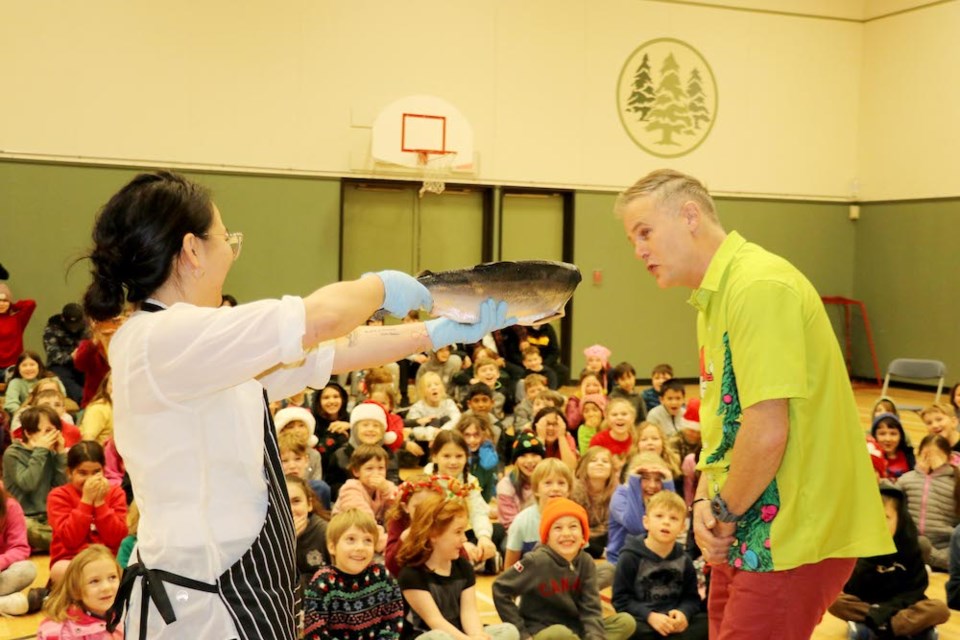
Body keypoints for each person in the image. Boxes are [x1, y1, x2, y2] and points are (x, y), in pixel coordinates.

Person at [82, 170, 512, 639]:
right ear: (191, 250)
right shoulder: (163, 338)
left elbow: (335, 349)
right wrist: (386, 287)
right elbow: (321, 318)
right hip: (205, 604)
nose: (231, 250)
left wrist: (435, 332)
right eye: (227, 238)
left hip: (241, 586)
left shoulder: (201, 341)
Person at [617, 169, 891, 638]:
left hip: (792, 535)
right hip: (744, 523)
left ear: (689, 216)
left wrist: (720, 513)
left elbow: (767, 429)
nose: (638, 249)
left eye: (645, 232)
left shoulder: (759, 286)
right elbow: (725, 426)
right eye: (632, 238)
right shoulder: (712, 300)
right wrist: (704, 499)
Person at [493, 497, 636, 640]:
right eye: (558, 528)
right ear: (547, 537)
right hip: (543, 632)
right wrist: (523, 634)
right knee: (559, 633)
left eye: (573, 526)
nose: (566, 533)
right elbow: (500, 588)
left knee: (625, 622)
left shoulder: (586, 562)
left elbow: (591, 609)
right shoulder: (536, 561)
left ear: (583, 535)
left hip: (576, 629)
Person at [828, 482, 950, 639]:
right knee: (833, 601)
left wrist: (886, 611)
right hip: (870, 604)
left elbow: (916, 589)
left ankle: (874, 628)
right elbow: (852, 588)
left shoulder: (912, 545)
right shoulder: (859, 545)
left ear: (900, 519)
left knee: (939, 609)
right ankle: (911, 630)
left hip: (903, 606)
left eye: (886, 517)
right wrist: (869, 558)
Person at [396, 493, 519, 640]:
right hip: (429, 635)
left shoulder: (463, 566)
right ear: (433, 534)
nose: (465, 538)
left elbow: (469, 612)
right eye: (458, 532)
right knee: (440, 638)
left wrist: (477, 636)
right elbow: (435, 621)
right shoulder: (411, 575)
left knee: (508, 631)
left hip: (460, 634)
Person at [612, 491, 708, 640]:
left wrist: (683, 613)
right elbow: (621, 600)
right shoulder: (630, 557)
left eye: (674, 518)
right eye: (659, 516)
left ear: (682, 527)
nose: (666, 522)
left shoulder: (684, 559)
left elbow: (691, 599)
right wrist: (649, 616)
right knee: (627, 626)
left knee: (707, 623)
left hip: (673, 623)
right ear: (646, 522)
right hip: (644, 621)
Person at [303, 509, 403, 640]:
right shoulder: (323, 582)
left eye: (367, 540)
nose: (360, 547)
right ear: (332, 547)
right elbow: (315, 631)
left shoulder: (381, 575)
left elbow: (394, 619)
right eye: (351, 539)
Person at [47, 441, 128, 585]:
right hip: (73, 561)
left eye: (96, 472)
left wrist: (100, 503)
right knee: (59, 571)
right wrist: (86, 500)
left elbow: (117, 539)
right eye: (82, 473)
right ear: (70, 473)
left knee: (129, 568)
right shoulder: (58, 496)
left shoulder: (116, 493)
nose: (90, 479)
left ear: (104, 470)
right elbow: (70, 540)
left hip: (108, 561)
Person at [2, 405, 67, 552]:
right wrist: (40, 451)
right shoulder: (12, 453)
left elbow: (62, 487)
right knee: (28, 528)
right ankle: (66, 543)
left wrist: (61, 455)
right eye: (47, 431)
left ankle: (60, 542)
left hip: (47, 516)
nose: (54, 435)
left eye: (56, 430)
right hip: (23, 517)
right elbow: (28, 483)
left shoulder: (49, 452)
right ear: (29, 433)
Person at [896, 434, 960, 570]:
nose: (930, 459)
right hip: (912, 545)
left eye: (936, 455)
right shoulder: (906, 479)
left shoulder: (956, 482)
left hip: (945, 548)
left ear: (948, 458)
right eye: (925, 454)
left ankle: (929, 558)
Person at [37, 544, 124, 640]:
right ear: (76, 591)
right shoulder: (63, 634)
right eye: (94, 581)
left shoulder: (126, 613)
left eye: (112, 577)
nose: (106, 587)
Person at [606, 453, 675, 565]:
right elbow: (637, 528)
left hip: (655, 562)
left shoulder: (658, 498)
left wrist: (668, 483)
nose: (652, 485)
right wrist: (634, 482)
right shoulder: (620, 496)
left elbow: (673, 523)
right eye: (645, 478)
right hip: (621, 562)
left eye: (658, 480)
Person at [504, 458, 573, 567]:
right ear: (536, 489)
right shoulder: (522, 520)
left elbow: (582, 562)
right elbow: (510, 566)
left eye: (561, 483)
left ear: (569, 490)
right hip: (532, 579)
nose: (555, 488)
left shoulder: (575, 517)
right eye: (548, 483)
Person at [0, 482, 41, 616]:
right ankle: (5, 604)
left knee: (27, 569)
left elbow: (20, 548)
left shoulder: (11, 507)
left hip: (3, 572)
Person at [496, 431, 545, 531]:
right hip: (517, 536)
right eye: (523, 456)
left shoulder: (550, 482)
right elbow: (510, 524)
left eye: (534, 454)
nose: (530, 461)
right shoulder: (506, 485)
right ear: (515, 461)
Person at [43, 302, 88, 403]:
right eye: (71, 324)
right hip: (60, 364)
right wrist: (71, 357)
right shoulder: (52, 328)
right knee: (64, 379)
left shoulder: (86, 326)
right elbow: (53, 355)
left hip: (82, 361)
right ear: (63, 319)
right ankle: (83, 399)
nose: (74, 328)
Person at [0, 282, 36, 371]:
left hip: (14, 366)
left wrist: (14, 305)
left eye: (5, 301)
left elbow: (31, 304)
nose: (1, 304)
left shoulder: (17, 319)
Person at [871, 412, 915, 480]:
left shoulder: (909, 456)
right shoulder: (871, 459)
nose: (888, 439)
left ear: (901, 436)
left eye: (893, 434)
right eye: (882, 434)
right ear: (875, 436)